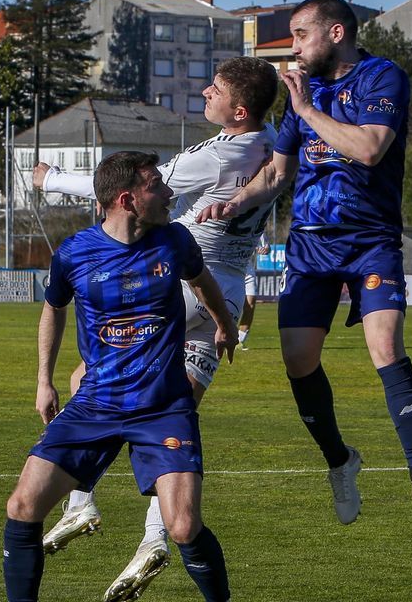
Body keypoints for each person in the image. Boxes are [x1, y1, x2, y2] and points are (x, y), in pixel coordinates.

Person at [31, 56, 278, 601]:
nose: (204, 94)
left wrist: (53, 180)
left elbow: (135, 188)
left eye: (213, 90)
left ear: (238, 110)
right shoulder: (273, 143)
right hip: (226, 294)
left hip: (180, 283)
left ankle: (80, 503)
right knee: (172, 415)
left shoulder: (221, 156)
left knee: (96, 387)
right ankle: (152, 537)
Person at [199, 0, 412, 524]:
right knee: (298, 361)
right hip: (311, 244)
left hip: (370, 239)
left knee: (385, 346)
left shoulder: (382, 78)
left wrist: (309, 108)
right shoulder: (300, 96)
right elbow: (276, 173)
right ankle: (341, 461)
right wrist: (234, 202)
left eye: (299, 35)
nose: (293, 47)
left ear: (335, 33)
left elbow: (370, 149)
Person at [3, 151, 237, 602]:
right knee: (23, 506)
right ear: (128, 199)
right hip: (96, 405)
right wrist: (44, 380)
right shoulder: (73, 253)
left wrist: (225, 325)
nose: (169, 194)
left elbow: (204, 281)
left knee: (184, 526)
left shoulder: (175, 241)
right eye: (157, 186)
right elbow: (53, 310)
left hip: (164, 408)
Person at [236, 234, 269, 351]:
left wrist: (265, 249)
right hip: (229, 266)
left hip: (248, 269)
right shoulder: (230, 220)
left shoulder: (258, 223)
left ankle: (239, 341)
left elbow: (266, 246)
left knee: (250, 304)